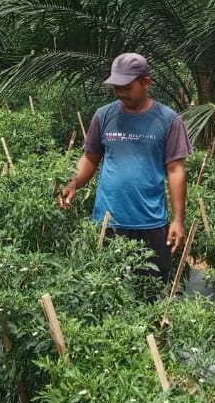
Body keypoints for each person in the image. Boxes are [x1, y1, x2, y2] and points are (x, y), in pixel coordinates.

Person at [57, 52, 191, 292]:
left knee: (150, 292)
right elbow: (90, 157)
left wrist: (178, 220)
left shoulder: (169, 120)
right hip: (107, 222)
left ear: (146, 82)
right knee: (106, 292)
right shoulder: (104, 115)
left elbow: (175, 170)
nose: (120, 93)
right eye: (116, 87)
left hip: (150, 224)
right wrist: (73, 183)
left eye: (127, 87)